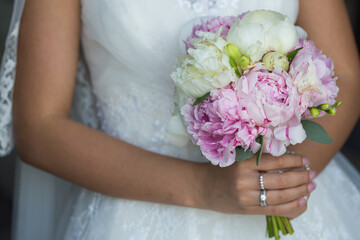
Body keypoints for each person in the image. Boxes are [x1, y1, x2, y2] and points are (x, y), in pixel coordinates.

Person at [0, 0, 359, 239]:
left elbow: (345, 73)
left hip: (297, 198)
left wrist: (284, 183)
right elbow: (41, 125)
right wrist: (204, 187)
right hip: (138, 208)